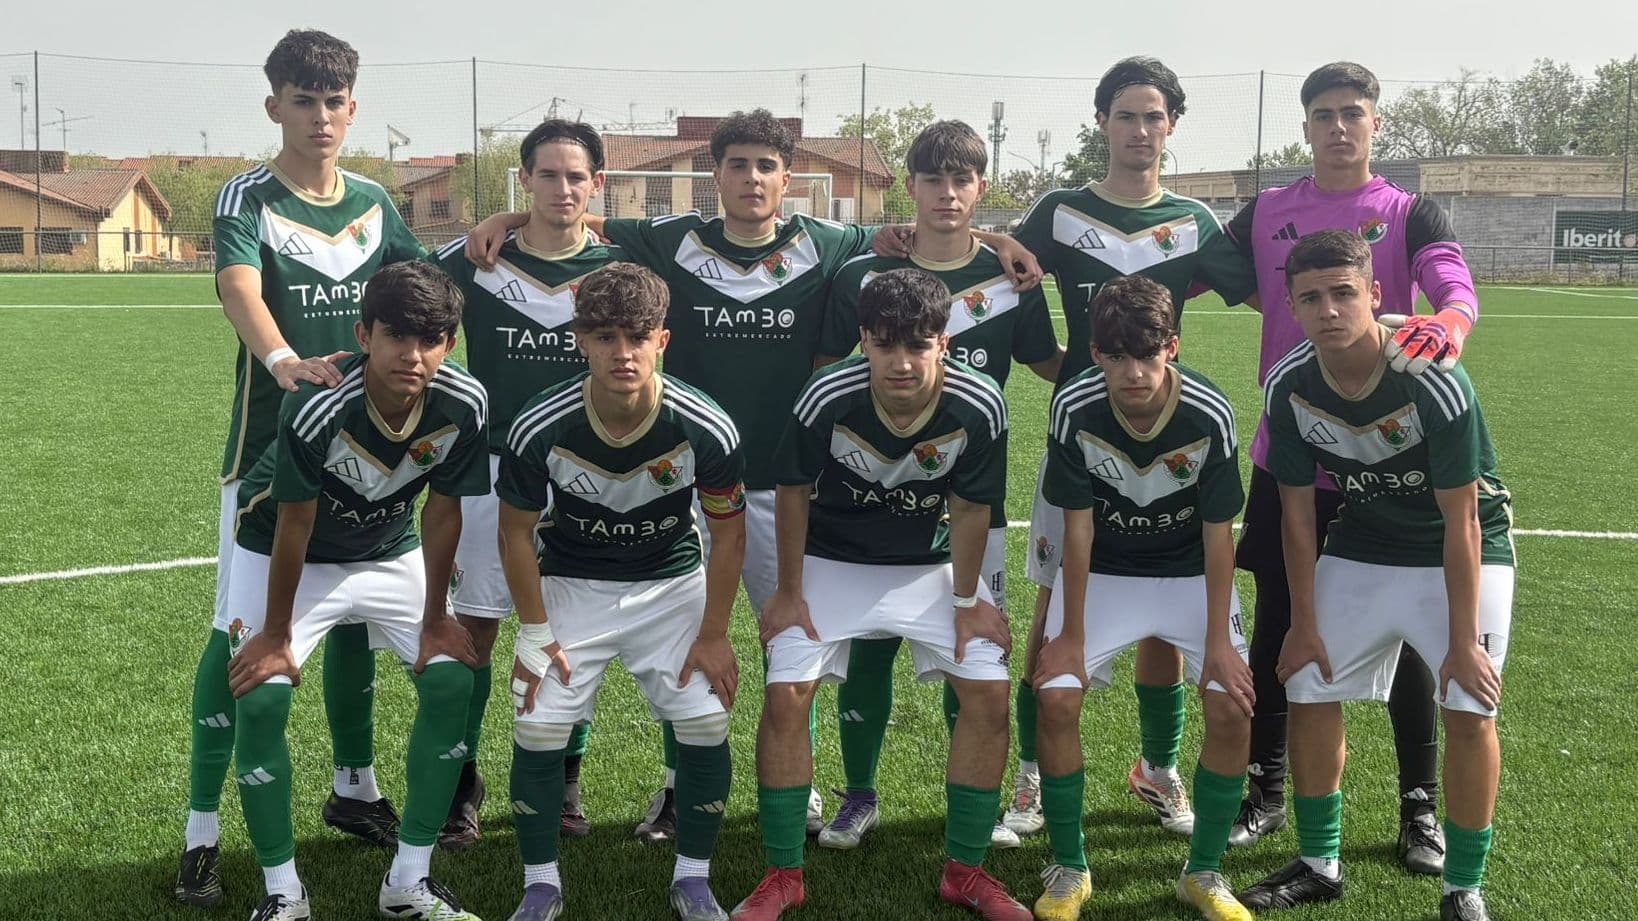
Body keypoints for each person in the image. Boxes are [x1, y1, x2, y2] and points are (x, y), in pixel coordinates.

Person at [467, 108, 1041, 841]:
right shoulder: (671, 238)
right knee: (681, 643)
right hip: (676, 476)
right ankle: (677, 790)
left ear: (788, 177)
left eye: (766, 166)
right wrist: (505, 212)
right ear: (716, 175)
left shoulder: (828, 243)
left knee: (787, 636)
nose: (751, 179)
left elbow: (922, 235)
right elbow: (578, 212)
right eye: (736, 165)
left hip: (783, 483)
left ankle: (795, 790)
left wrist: (996, 237)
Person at [884, 57, 1257, 841]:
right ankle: (1027, 780)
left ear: (1172, 128)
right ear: (1103, 124)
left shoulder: (1193, 219)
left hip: (1162, 436)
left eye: (1154, 116)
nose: (1140, 130)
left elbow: (1266, 290)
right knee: (1050, 620)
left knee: (1162, 624)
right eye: (1126, 115)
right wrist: (967, 231)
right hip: (1077, 444)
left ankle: (1157, 769)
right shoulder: (1059, 210)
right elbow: (996, 260)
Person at [178, 28, 425, 907]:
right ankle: (201, 830)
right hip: (267, 452)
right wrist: (284, 359)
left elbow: (424, 284)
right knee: (237, 640)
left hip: (372, 453)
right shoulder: (248, 194)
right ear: (273, 103)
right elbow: (238, 285)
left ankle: (355, 789)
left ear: (352, 110)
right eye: (303, 100)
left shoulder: (373, 200)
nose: (320, 118)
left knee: (356, 616)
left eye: (335, 103)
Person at [1222, 62, 1482, 874]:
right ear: (1305, 127)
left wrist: (1449, 321)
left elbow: (1452, 280)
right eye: (1324, 114)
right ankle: (1265, 789)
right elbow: (1187, 270)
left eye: (1353, 113)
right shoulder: (1266, 212)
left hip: (1389, 465)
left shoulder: (1409, 211)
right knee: (1280, 621)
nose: (1339, 126)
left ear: (1376, 125)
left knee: (1409, 630)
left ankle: (1419, 806)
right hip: (1292, 450)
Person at [733, 268, 1027, 921]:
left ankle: (966, 869)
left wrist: (967, 599)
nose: (901, 363)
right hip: (833, 561)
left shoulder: (980, 403)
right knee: (786, 692)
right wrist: (787, 591)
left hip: (927, 566)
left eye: (918, 345)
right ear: (863, 339)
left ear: (943, 342)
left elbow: (973, 506)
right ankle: (782, 873)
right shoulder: (825, 395)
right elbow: (790, 490)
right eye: (885, 344)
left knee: (987, 688)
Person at [1237, 230, 1511, 921]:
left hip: (1459, 545)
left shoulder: (1432, 375)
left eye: (1343, 292)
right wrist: (1301, 623)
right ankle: (1320, 862)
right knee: (1306, 678)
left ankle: (1463, 886)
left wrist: (1461, 640)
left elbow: (1464, 522)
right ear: (1292, 307)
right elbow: (1297, 516)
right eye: (1311, 298)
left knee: (1470, 704)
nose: (1328, 309)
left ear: (1375, 294)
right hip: (1363, 540)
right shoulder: (1291, 384)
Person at [812, 118, 1063, 851]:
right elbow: (827, 370)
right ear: (911, 189)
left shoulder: (1012, 279)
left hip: (968, 502)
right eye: (933, 180)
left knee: (973, 648)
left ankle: (976, 805)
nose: (948, 194)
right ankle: (860, 795)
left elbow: (1054, 366)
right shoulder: (864, 274)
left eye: (962, 180)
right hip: (866, 494)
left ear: (981, 188)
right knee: (867, 650)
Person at [221, 261, 490, 921]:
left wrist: (434, 617)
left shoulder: (465, 401)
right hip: (287, 554)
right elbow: (295, 521)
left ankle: (409, 882)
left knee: (452, 679)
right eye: (398, 335)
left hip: (386, 552)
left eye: (431, 339)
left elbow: (443, 510)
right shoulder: (317, 403)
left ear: (450, 345)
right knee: (263, 697)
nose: (414, 354)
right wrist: (276, 637)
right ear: (364, 334)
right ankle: (284, 891)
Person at [497, 262, 747, 921]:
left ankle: (693, 876)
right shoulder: (539, 425)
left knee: (705, 719)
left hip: (670, 584)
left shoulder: (706, 425)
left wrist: (715, 632)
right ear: (579, 339)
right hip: (572, 584)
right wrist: (534, 629)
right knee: (540, 725)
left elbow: (729, 534)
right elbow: (516, 534)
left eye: (637, 336)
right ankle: (541, 883)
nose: (622, 352)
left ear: (662, 340)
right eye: (605, 336)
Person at [1029, 275, 1253, 921]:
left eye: (1147, 356)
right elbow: (1077, 524)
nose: (1134, 373)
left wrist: (1218, 641)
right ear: (1096, 354)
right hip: (1105, 573)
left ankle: (1204, 872)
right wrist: (1067, 633)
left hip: (1188, 571)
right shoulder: (1074, 405)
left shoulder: (1209, 411)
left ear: (1172, 348)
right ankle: (1069, 866)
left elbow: (1219, 536)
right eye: (1117, 357)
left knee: (1233, 705)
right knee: (1057, 694)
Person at [433, 118, 624, 848]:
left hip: (587, 473)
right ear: (526, 181)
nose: (563, 188)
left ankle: (565, 779)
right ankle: (461, 780)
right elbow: (407, 292)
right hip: (490, 468)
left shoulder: (618, 264)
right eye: (547, 175)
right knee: (476, 628)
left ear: (596, 184)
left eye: (577, 176)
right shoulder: (478, 260)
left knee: (574, 630)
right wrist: (499, 223)